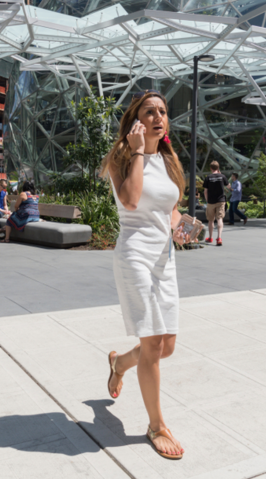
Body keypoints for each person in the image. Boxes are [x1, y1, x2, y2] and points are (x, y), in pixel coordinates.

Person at [102, 90, 190, 461]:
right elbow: (133, 201)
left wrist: (181, 226)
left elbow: (168, 209)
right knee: (153, 346)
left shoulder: (169, 162)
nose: (158, 117)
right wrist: (137, 150)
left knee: (166, 346)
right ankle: (156, 425)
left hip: (164, 260)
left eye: (163, 112)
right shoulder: (121, 158)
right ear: (135, 119)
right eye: (149, 111)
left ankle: (120, 363)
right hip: (135, 257)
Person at [203, 161, 228, 246]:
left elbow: (205, 191)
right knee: (219, 218)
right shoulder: (222, 176)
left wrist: (207, 200)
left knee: (211, 220)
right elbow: (228, 186)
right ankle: (219, 238)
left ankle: (210, 237)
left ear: (211, 168)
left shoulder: (208, 178)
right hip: (221, 201)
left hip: (211, 202)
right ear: (218, 168)